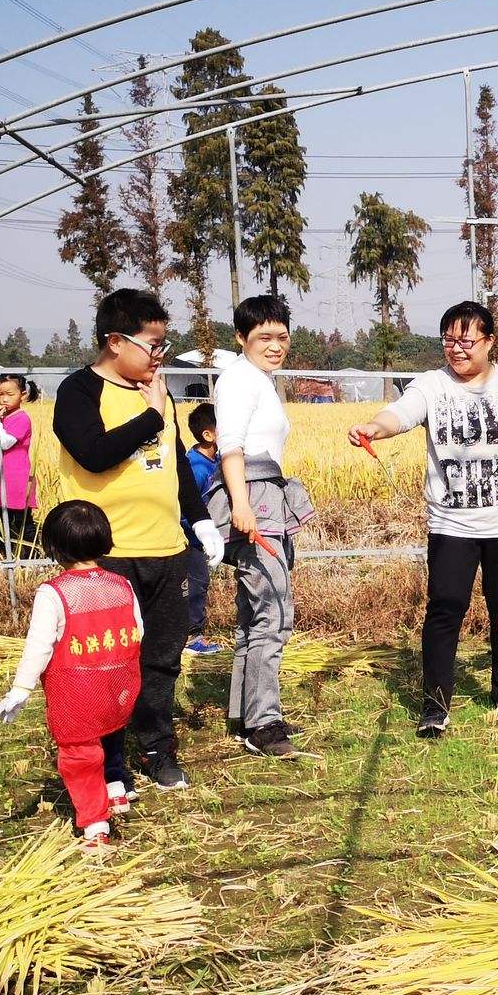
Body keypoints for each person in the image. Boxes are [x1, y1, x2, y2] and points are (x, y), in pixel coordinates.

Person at [347, 301, 498, 737]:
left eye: (466, 341)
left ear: (489, 341)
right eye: (449, 341)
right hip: (451, 523)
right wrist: (371, 428)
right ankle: (435, 706)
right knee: (444, 609)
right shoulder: (430, 386)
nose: (457, 350)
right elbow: (399, 416)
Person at [51, 288, 223, 790]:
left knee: (162, 656)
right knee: (105, 660)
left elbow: (175, 467)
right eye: (153, 345)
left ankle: (156, 744)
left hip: (165, 549)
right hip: (106, 556)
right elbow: (93, 453)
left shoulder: (158, 393)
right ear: (114, 341)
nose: (159, 356)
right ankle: (108, 760)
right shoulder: (79, 391)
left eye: (163, 345)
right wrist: (149, 415)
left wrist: (200, 521)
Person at [0, 501, 142, 849]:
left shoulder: (53, 594)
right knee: (112, 732)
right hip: (119, 685)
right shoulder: (122, 585)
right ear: (105, 540)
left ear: (53, 548)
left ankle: (95, 823)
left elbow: (39, 646)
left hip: (77, 692)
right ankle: (116, 789)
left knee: (80, 755)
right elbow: (137, 631)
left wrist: (20, 688)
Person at [208, 294, 314, 759]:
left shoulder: (259, 379)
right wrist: (241, 505)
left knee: (254, 616)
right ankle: (264, 724)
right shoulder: (238, 380)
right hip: (253, 498)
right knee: (272, 612)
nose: (275, 346)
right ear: (241, 337)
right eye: (263, 337)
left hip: (266, 494)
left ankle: (246, 715)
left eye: (282, 337)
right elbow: (229, 447)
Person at [0, 372, 40, 557]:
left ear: (22, 394)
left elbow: (6, 442)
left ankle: (29, 556)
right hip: (0, 477)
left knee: (22, 521)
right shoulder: (3, 418)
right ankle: (3, 556)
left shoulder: (22, 418)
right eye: (0, 394)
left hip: (18, 478)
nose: (4, 399)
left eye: (10, 394)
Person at [183, 403, 222, 656]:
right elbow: (184, 509)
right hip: (191, 538)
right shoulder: (195, 468)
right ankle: (191, 637)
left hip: (206, 535)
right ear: (208, 436)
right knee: (196, 583)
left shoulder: (217, 459)